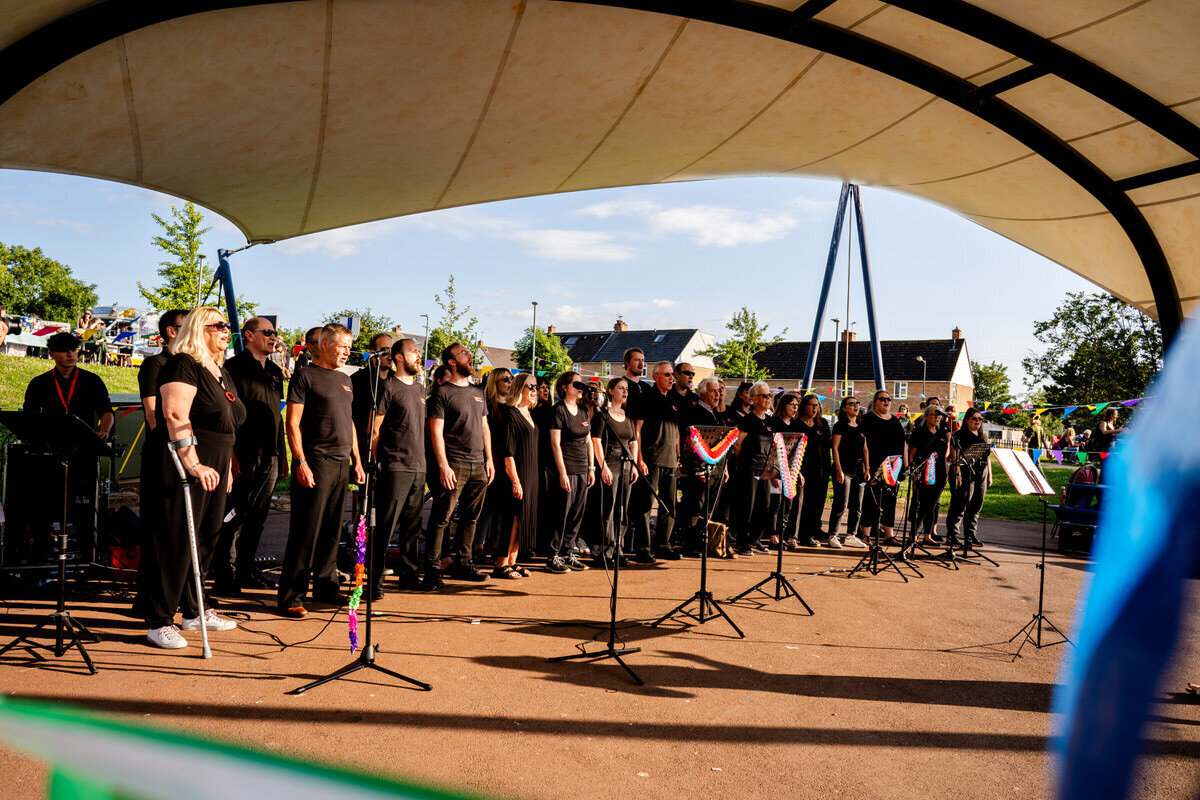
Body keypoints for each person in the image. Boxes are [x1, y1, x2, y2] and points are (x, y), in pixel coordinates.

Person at [142, 307, 245, 649]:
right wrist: (194, 463)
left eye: (227, 325)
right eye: (219, 325)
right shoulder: (183, 364)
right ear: (200, 329)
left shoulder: (220, 370)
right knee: (175, 539)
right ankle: (159, 620)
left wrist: (225, 466)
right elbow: (172, 414)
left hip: (216, 462)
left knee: (205, 539)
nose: (226, 330)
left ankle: (194, 610)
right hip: (184, 462)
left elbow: (227, 423)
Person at [277, 323, 366, 617]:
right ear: (325, 344)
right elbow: (292, 423)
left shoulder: (345, 380)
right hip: (316, 461)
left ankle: (326, 587)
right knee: (306, 531)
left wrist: (357, 460)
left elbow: (349, 422)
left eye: (349, 347)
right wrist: (300, 461)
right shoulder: (305, 376)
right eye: (342, 346)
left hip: (342, 463)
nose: (347, 352)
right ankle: (291, 596)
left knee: (331, 530)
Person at [212, 317, 287, 593]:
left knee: (258, 516)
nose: (273, 336)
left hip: (270, 454)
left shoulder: (276, 372)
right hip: (243, 453)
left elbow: (276, 416)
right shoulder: (233, 367)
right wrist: (230, 455)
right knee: (233, 516)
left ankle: (246, 570)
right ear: (249, 335)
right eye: (267, 332)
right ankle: (225, 575)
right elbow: (228, 414)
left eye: (274, 332)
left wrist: (282, 455)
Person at [425, 342, 495, 586]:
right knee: (441, 517)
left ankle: (464, 563)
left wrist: (490, 460)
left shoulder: (478, 392)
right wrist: (443, 466)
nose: (470, 356)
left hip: (479, 464)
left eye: (469, 352)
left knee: (471, 517)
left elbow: (485, 428)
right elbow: (436, 432)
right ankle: (433, 569)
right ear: (452, 362)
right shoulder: (442, 393)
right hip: (455, 464)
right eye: (464, 353)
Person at [133, 309, 188, 617]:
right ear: (170, 331)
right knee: (157, 530)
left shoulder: (188, 364)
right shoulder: (156, 364)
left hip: (183, 454)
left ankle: (175, 596)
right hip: (163, 456)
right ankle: (149, 600)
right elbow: (155, 415)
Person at [370, 338, 429, 594]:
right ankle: (373, 581)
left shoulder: (421, 390)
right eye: (413, 351)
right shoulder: (387, 387)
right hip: (395, 466)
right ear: (398, 358)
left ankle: (409, 575)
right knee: (385, 525)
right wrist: (379, 462)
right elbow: (375, 430)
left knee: (412, 526)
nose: (419, 355)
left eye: (419, 351)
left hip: (419, 466)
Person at [630, 361, 681, 562]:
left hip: (670, 460)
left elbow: (676, 431)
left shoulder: (674, 401)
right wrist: (639, 458)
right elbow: (637, 430)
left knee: (669, 504)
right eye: (667, 375)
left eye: (672, 375)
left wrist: (678, 456)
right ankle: (643, 548)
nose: (671, 378)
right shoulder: (645, 398)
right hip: (650, 459)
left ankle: (663, 545)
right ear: (656, 376)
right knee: (644, 504)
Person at [490, 372, 538, 579]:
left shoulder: (529, 413)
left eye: (536, 386)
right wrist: (515, 481)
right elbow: (507, 453)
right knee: (512, 518)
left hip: (532, 473)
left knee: (523, 518)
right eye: (530, 387)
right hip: (516, 473)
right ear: (519, 388)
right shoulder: (510, 414)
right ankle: (500, 563)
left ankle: (513, 560)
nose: (535, 391)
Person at [546, 371, 594, 573]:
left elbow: (589, 440)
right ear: (564, 387)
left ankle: (568, 551)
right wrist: (562, 473)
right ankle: (553, 554)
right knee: (562, 512)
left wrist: (592, 467)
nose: (580, 387)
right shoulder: (558, 410)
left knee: (577, 513)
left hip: (584, 468)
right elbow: (555, 445)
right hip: (567, 467)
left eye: (581, 384)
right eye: (576, 384)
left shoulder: (583, 411)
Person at [24, 331, 114, 437]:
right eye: (64, 350)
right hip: (50, 441)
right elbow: (29, 415)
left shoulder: (92, 380)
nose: (70, 354)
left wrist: (105, 431)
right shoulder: (39, 383)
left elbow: (106, 411)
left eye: (73, 350)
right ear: (51, 354)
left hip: (84, 441)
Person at [730, 381, 785, 556]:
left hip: (767, 470)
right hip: (749, 468)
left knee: (765, 506)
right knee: (747, 506)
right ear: (754, 399)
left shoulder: (771, 421)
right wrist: (743, 466)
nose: (769, 398)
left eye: (770, 395)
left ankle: (755, 540)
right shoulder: (748, 420)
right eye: (765, 395)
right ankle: (742, 542)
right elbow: (737, 445)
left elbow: (776, 447)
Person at [591, 376, 638, 568]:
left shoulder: (628, 416)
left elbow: (633, 441)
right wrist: (603, 466)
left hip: (627, 463)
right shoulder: (603, 415)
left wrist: (634, 464)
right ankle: (603, 550)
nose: (624, 392)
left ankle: (618, 548)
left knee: (622, 508)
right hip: (610, 461)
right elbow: (596, 441)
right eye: (620, 388)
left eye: (626, 388)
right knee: (608, 508)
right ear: (610, 391)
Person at [677, 376, 724, 556]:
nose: (717, 395)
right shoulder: (694, 411)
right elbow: (692, 442)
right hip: (698, 468)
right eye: (713, 391)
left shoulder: (715, 413)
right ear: (703, 393)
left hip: (715, 468)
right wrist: (699, 468)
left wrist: (723, 468)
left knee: (708, 508)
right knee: (695, 506)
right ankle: (691, 544)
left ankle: (703, 541)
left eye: (719, 391)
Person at [858, 389, 907, 546]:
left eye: (889, 399)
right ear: (875, 402)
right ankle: (866, 534)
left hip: (893, 468)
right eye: (882, 399)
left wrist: (905, 466)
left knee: (889, 501)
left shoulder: (895, 421)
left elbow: (903, 444)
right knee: (870, 501)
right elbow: (861, 444)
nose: (886, 402)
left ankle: (889, 535)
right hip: (872, 467)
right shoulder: (867, 419)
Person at [478, 368, 514, 563]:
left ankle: (496, 545)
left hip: (507, 461)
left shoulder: (511, 406)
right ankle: (478, 547)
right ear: (495, 382)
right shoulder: (487, 406)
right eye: (505, 379)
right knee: (486, 507)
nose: (509, 382)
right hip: (491, 459)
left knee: (501, 508)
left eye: (512, 379)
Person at [945, 407, 992, 548]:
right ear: (967, 420)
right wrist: (957, 473)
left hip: (981, 472)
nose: (978, 421)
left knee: (977, 504)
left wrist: (990, 475)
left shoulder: (982, 437)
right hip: (965, 472)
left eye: (980, 419)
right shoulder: (959, 435)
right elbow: (955, 456)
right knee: (960, 503)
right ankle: (952, 535)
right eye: (974, 418)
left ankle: (970, 535)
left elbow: (987, 457)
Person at [906, 405, 950, 546]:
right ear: (926, 416)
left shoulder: (942, 432)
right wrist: (913, 471)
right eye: (933, 414)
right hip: (923, 471)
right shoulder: (919, 432)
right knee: (922, 504)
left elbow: (945, 453)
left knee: (932, 504)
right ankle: (913, 535)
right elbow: (911, 454)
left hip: (940, 472)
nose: (937, 417)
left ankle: (927, 535)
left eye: (939, 414)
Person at [829, 396, 869, 548]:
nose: (855, 406)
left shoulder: (861, 426)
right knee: (841, 503)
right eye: (851, 404)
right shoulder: (840, 426)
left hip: (858, 469)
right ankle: (833, 534)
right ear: (844, 408)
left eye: (857, 403)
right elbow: (835, 448)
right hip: (843, 468)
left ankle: (851, 535)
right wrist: (838, 469)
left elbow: (865, 449)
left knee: (857, 504)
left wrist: (867, 468)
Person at [767, 392, 802, 549]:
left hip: (790, 470)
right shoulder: (774, 423)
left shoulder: (795, 425)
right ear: (784, 406)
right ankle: (772, 536)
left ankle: (781, 534)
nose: (795, 408)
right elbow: (770, 449)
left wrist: (798, 472)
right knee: (775, 504)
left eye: (797, 405)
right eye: (792, 405)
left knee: (787, 504)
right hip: (775, 468)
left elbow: (795, 452)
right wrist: (773, 472)